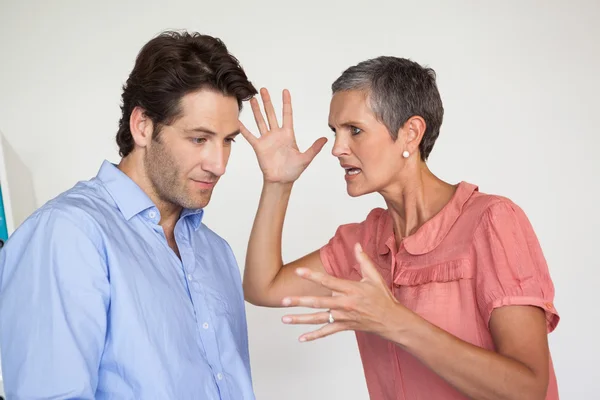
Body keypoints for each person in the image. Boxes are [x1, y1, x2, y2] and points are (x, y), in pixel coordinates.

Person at [240, 57, 560, 399]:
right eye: (336, 132)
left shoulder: (492, 221)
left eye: (355, 130)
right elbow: (263, 287)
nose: (337, 149)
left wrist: (395, 321)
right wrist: (278, 183)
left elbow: (528, 389)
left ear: (410, 133)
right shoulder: (363, 242)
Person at [0, 30, 257, 399]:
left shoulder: (216, 253)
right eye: (199, 138)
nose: (219, 164)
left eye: (228, 140)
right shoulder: (68, 234)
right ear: (142, 126)